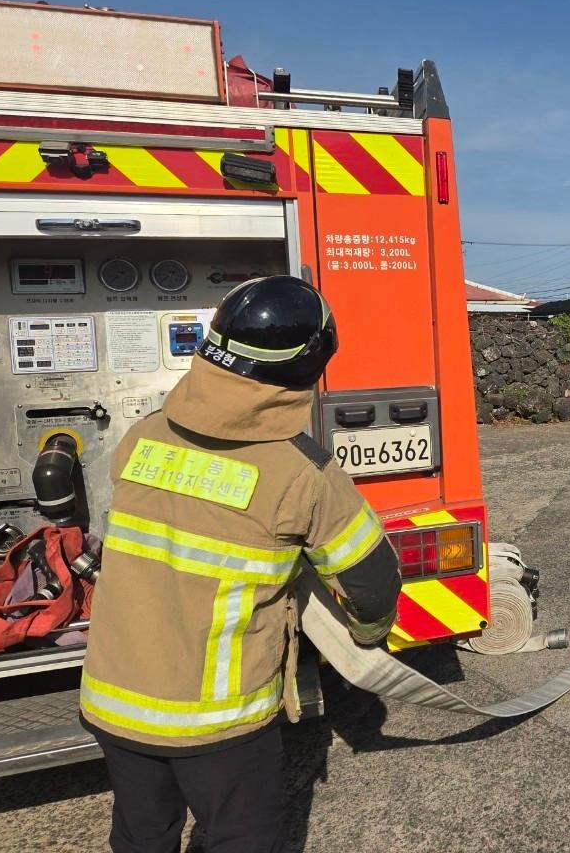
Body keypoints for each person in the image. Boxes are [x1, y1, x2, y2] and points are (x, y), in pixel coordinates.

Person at [80, 276, 401, 853]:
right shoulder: (303, 474)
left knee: (140, 835)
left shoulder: (142, 436)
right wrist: (367, 634)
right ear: (309, 366)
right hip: (217, 721)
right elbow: (371, 582)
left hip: (113, 699)